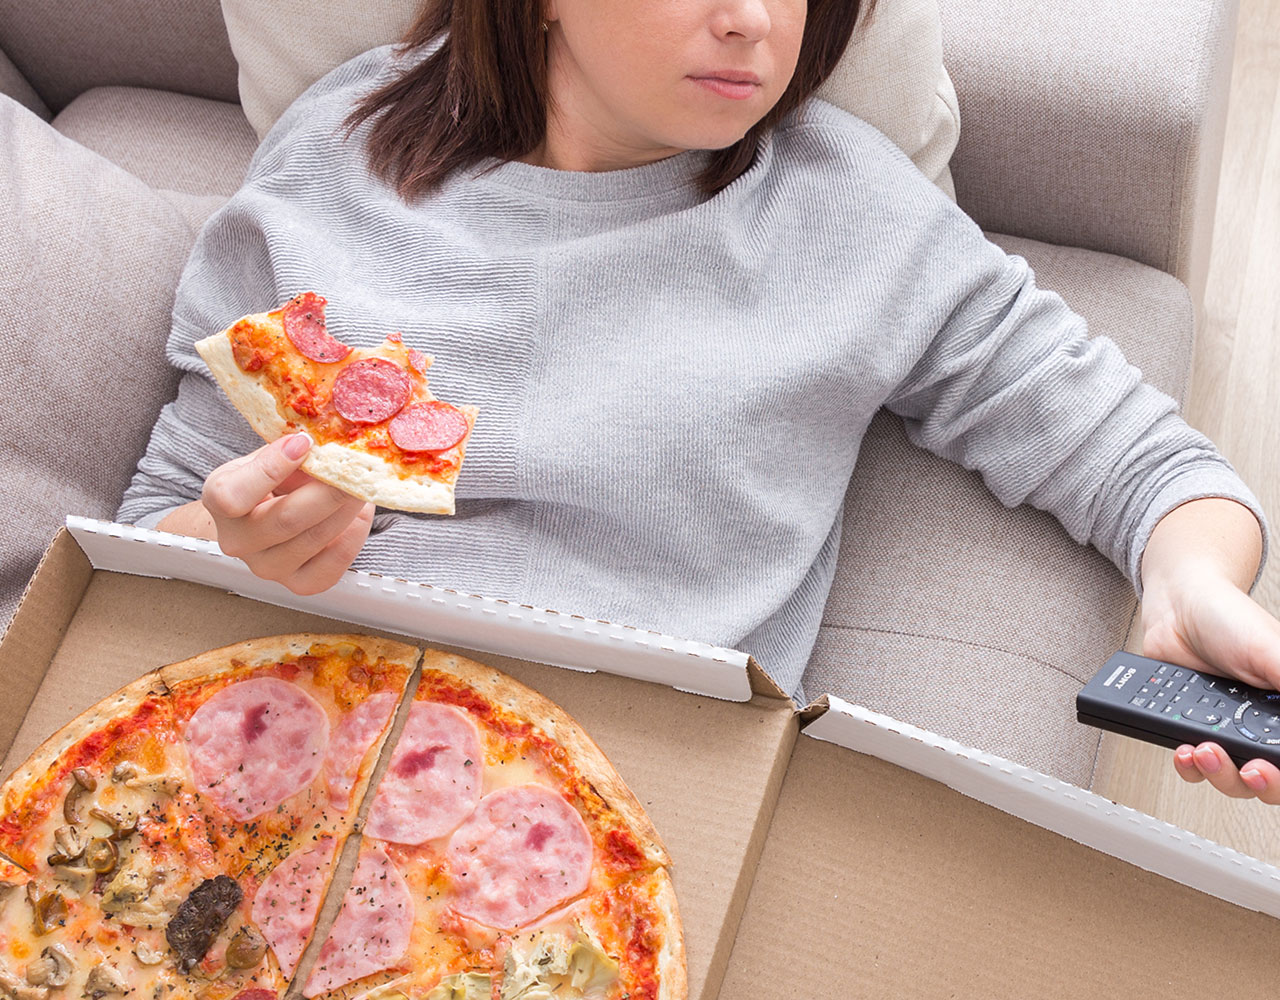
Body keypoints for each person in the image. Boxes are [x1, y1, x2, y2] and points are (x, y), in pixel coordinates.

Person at [118, 0, 1280, 804]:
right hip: (266, 739)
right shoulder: (334, 140)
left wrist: (1188, 584)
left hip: (615, 811)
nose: (752, 23)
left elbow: (1138, 458)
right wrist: (233, 539)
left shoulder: (851, 214)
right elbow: (152, 526)